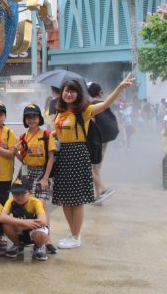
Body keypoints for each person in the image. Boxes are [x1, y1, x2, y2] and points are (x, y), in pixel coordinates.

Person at [52, 74, 134, 249]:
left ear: (78, 94)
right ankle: (72, 233)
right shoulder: (60, 112)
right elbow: (59, 132)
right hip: (63, 155)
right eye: (66, 90)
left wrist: (119, 88)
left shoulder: (84, 111)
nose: (69, 94)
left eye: (73, 91)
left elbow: (105, 104)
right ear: (62, 92)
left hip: (77, 154)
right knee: (65, 199)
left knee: (76, 199)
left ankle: (76, 236)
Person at [13, 103, 57, 253]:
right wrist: (15, 152)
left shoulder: (46, 135)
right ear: (25, 120)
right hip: (26, 171)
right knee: (22, 205)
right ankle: (25, 239)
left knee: (41, 206)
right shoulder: (23, 137)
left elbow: (51, 158)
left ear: (39, 118)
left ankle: (47, 240)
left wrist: (45, 178)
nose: (31, 120)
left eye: (34, 117)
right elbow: (23, 159)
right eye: (28, 117)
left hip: (41, 172)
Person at [0, 177, 49, 261]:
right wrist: (24, 223)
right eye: (16, 193)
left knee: (40, 235)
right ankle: (18, 245)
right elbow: (2, 217)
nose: (19, 196)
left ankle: (39, 246)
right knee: (5, 224)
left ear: (30, 193)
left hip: (34, 229)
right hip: (21, 230)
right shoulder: (11, 201)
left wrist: (25, 226)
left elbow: (43, 221)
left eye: (23, 193)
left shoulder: (35, 202)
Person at [87, 83, 119, 204]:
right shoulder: (104, 104)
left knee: (87, 166)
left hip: (95, 141)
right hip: (105, 139)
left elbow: (91, 123)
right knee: (96, 168)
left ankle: (104, 188)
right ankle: (97, 195)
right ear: (100, 93)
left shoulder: (91, 106)